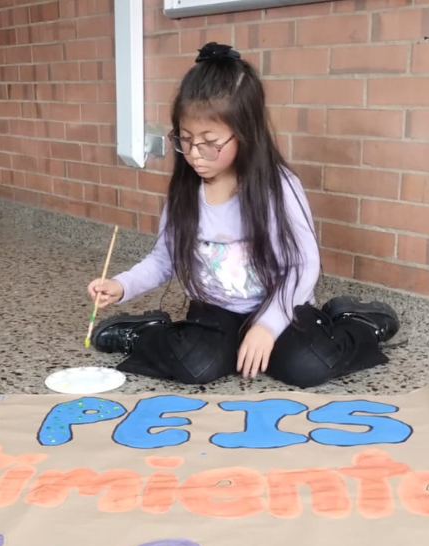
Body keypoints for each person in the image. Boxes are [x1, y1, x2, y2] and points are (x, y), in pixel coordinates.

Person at [88, 43, 399, 389]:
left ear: (245, 133)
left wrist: (267, 326)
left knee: (308, 365)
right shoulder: (186, 191)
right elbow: (164, 259)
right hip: (216, 310)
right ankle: (141, 332)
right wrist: (122, 285)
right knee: (196, 365)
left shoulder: (278, 187)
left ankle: (357, 321)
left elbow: (302, 266)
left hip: (281, 302)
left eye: (209, 142)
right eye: (185, 140)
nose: (194, 155)